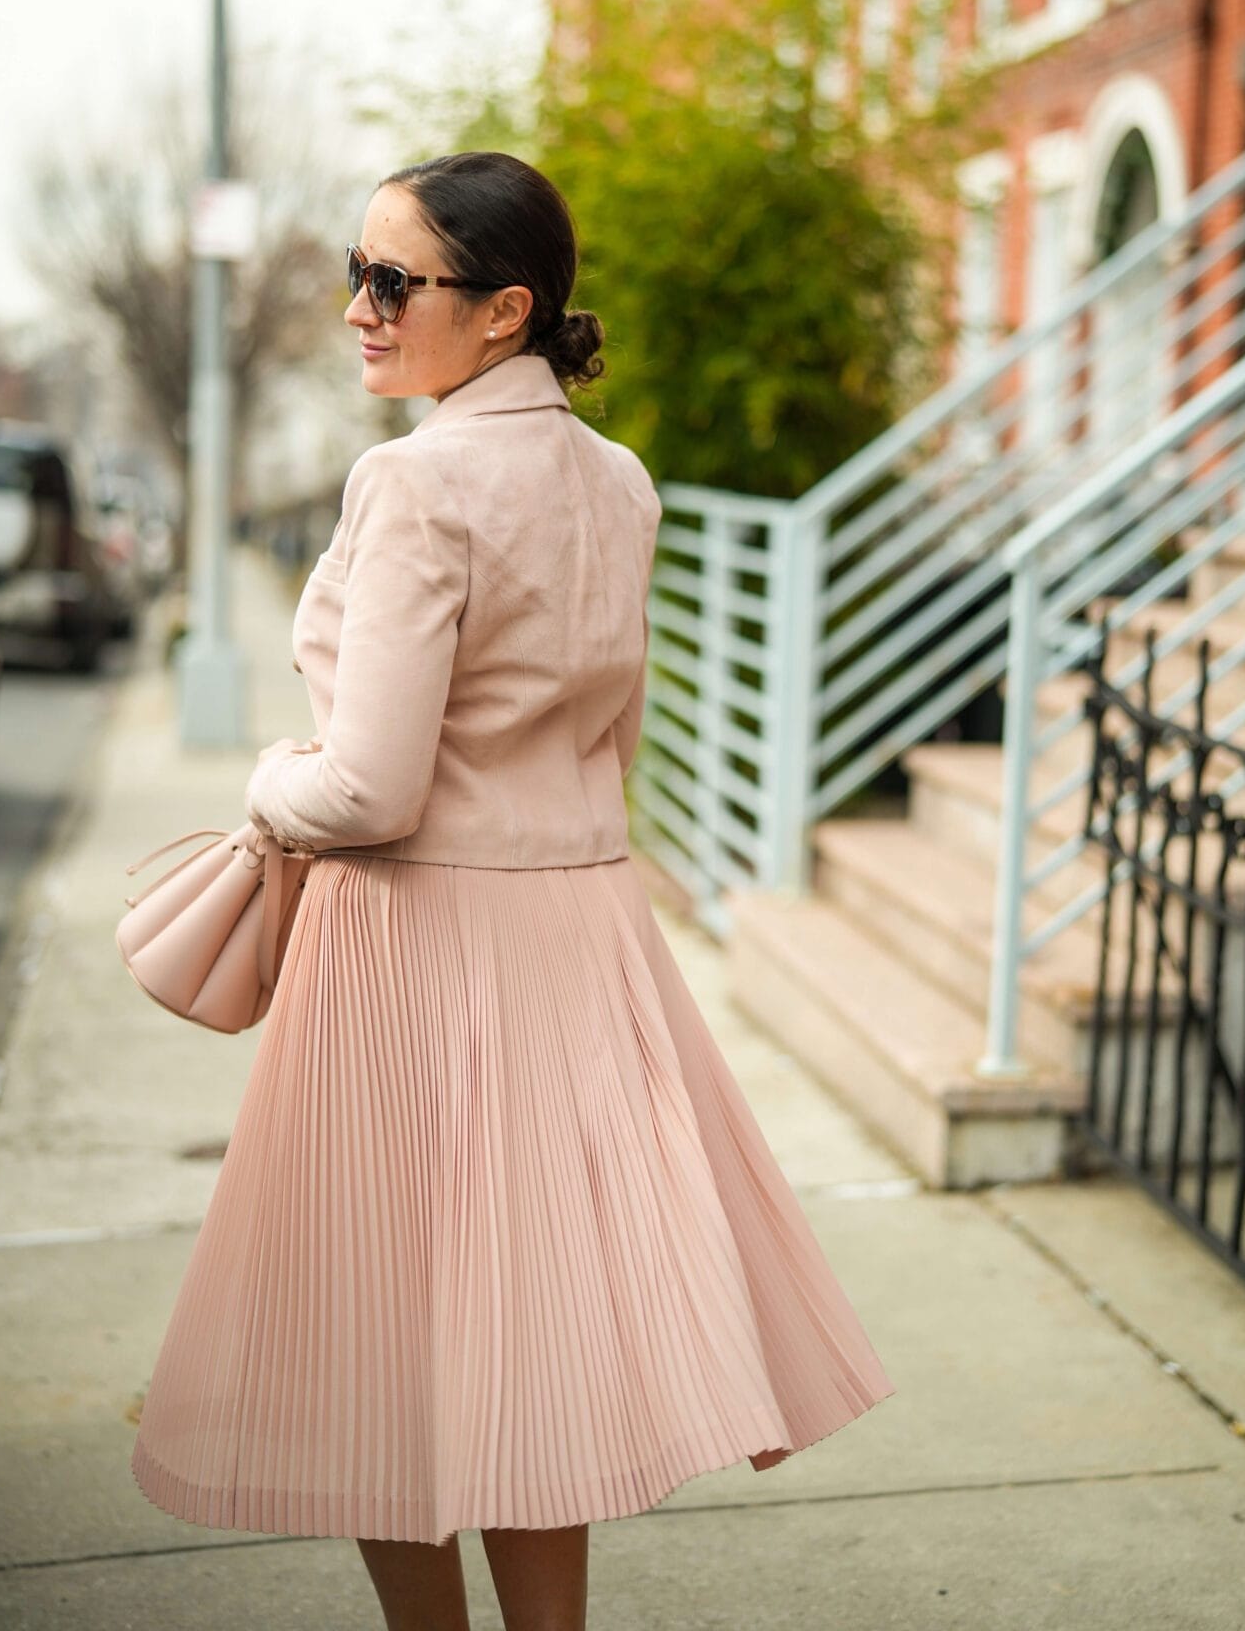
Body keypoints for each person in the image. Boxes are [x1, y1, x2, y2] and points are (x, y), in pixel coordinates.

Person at [129, 152, 895, 1630]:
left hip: (411, 949)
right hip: (576, 941)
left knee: (384, 1348)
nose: (358, 308)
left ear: (504, 313)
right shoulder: (620, 481)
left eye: (390, 282)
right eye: (354, 272)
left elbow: (367, 792)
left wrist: (261, 783)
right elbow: (609, 736)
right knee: (528, 1339)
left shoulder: (412, 482)